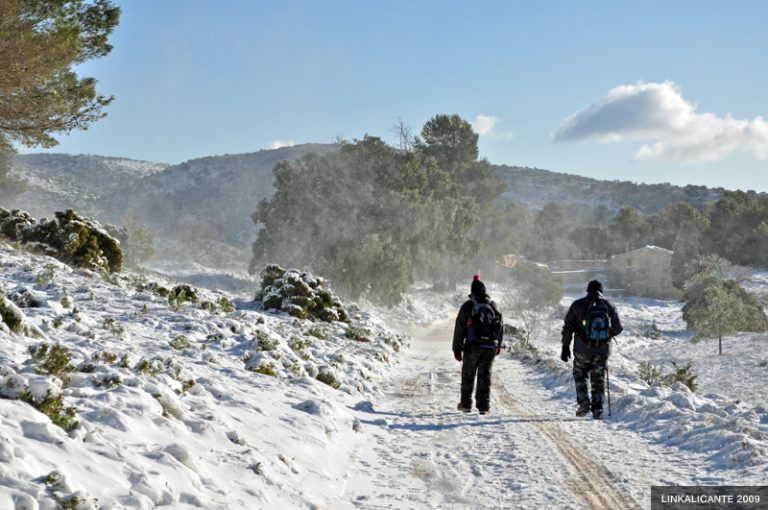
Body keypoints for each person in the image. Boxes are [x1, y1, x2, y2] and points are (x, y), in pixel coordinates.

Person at [560, 280, 623, 420]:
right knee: (598, 380)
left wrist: (565, 346)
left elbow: (568, 327)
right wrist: (606, 335)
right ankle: (598, 410)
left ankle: (584, 402)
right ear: (602, 291)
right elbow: (618, 328)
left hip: (582, 349)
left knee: (580, 375)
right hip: (602, 351)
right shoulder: (609, 305)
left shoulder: (577, 305)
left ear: (587, 290)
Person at [453, 275, 503, 415]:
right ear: (484, 290)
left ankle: (466, 405)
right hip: (490, 348)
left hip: (472, 347)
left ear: (472, 291)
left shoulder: (467, 306)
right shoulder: (494, 305)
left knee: (468, 375)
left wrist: (456, 349)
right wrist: (497, 346)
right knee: (485, 376)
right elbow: (501, 327)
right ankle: (484, 407)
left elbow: (459, 329)